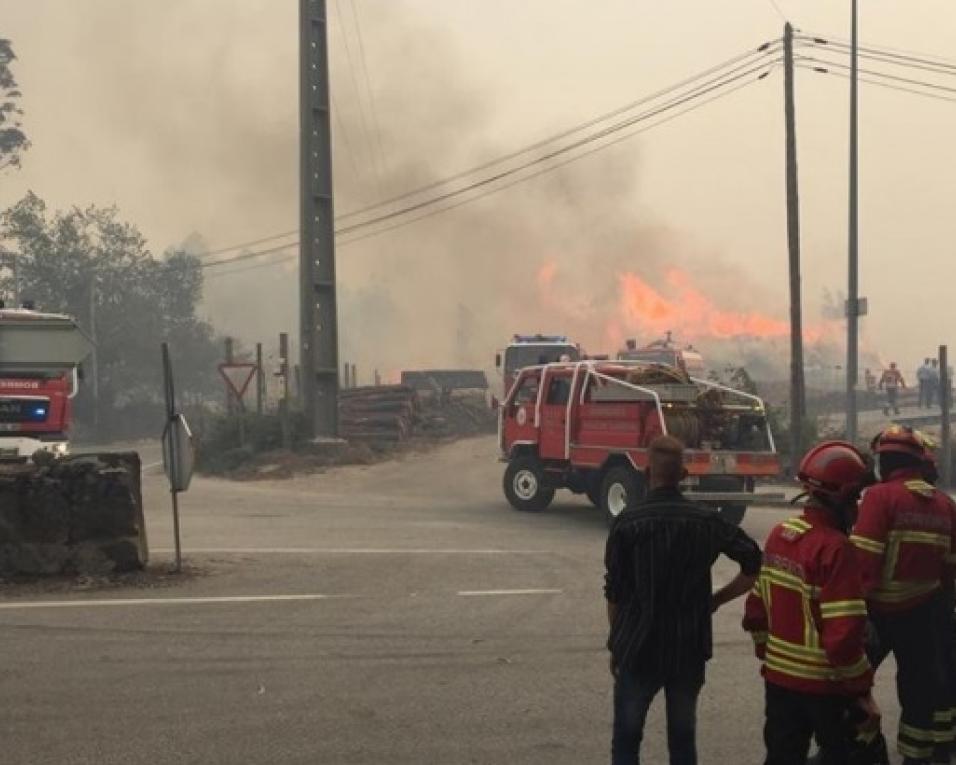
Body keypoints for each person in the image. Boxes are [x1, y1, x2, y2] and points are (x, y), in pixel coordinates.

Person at [604, 435, 761, 765]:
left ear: (647, 473)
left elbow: (615, 592)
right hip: (688, 649)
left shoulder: (627, 524)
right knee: (682, 740)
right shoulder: (707, 522)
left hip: (638, 647)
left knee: (626, 741)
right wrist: (717, 599)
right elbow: (754, 561)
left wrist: (617, 643)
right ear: (684, 475)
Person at [743, 441, 879, 765]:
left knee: (782, 757)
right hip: (825, 687)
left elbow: (755, 611)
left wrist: (769, 656)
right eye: (855, 498)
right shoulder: (836, 548)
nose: (858, 508)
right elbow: (844, 636)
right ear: (841, 497)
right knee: (847, 755)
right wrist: (861, 689)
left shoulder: (780, 534)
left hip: (778, 682)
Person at [850, 426, 956, 764]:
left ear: (884, 462)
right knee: (919, 688)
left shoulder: (880, 497)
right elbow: (949, 571)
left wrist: (853, 612)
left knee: (849, 682)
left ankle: (853, 750)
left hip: (877, 613)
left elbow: (863, 563)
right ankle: (917, 756)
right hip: (923, 612)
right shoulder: (945, 505)